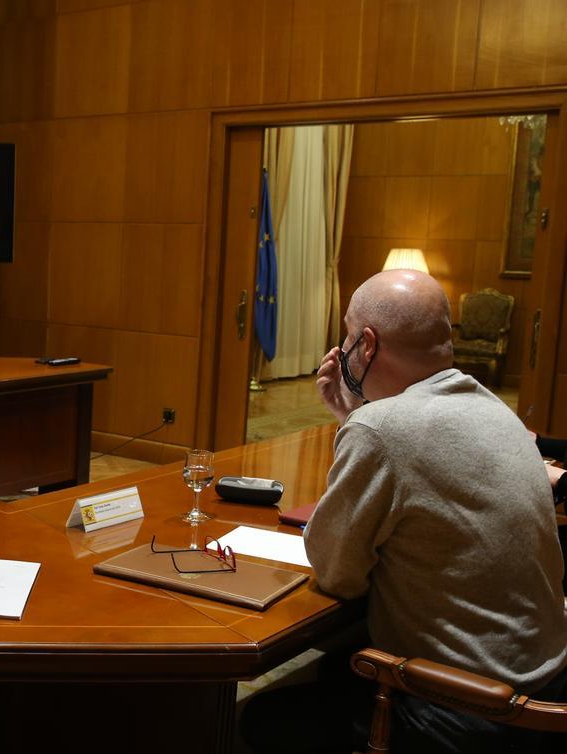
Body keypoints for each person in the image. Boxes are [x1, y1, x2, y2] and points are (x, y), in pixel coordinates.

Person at [243, 269, 567, 754]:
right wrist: (358, 418)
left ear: (366, 345)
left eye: (348, 335)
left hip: (468, 712)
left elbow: (336, 572)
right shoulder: (494, 407)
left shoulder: (380, 429)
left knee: (258, 720)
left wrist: (360, 421)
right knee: (334, 667)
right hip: (545, 686)